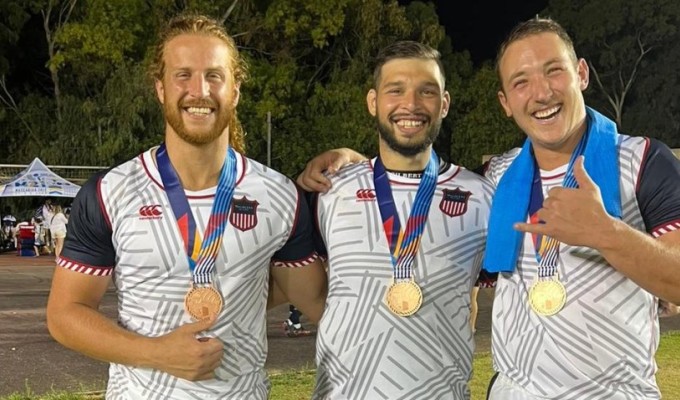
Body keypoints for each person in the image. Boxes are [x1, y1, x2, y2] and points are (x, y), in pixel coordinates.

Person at [298, 17, 680, 400]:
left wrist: (607, 233)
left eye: (553, 71)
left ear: (580, 73)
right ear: (506, 103)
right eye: (521, 82)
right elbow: (410, 190)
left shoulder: (642, 160)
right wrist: (354, 162)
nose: (541, 92)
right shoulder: (493, 180)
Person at [45, 14, 327, 400]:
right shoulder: (111, 193)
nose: (200, 90)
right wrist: (156, 353)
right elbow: (65, 315)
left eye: (214, 75)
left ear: (236, 89)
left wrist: (360, 169)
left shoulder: (279, 195)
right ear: (161, 88)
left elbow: (319, 301)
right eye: (183, 75)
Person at [311, 41, 494, 400]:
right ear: (373, 101)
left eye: (426, 91)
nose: (410, 104)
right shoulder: (328, 190)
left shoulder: (481, 197)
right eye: (396, 90)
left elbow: (469, 302)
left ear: (444, 104)